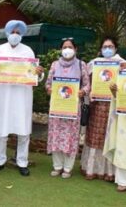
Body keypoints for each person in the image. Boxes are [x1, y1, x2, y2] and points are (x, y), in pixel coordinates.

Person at [0, 20, 44, 176]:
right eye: (12, 32)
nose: (15, 35)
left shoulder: (28, 51)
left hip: (22, 95)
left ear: (22, 35)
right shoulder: (0, 49)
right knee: (2, 129)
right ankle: (0, 160)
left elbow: (34, 74)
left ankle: (22, 161)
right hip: (4, 94)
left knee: (23, 130)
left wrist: (39, 73)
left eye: (18, 33)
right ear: (7, 33)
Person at [45, 38, 90, 178]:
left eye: (70, 47)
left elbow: (88, 85)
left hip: (72, 107)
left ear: (75, 49)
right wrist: (49, 90)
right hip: (57, 107)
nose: (67, 50)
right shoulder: (54, 65)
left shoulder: (81, 65)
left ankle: (68, 168)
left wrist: (83, 91)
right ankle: (57, 166)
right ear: (61, 49)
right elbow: (47, 84)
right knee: (56, 136)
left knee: (70, 137)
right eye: (64, 47)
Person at [80, 37, 124, 181]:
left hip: (114, 107)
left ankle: (110, 172)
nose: (107, 49)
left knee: (110, 136)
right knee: (95, 137)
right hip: (97, 106)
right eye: (105, 46)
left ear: (116, 49)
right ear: (100, 49)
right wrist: (88, 95)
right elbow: (87, 83)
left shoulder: (122, 64)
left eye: (110, 46)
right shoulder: (93, 64)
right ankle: (91, 169)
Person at [104, 69, 126, 192]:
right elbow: (119, 96)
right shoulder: (123, 74)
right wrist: (113, 91)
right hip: (124, 117)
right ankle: (123, 181)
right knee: (123, 147)